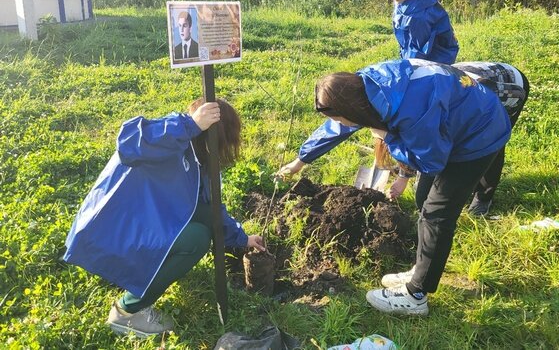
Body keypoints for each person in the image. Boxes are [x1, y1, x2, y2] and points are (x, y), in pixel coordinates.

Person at [277, 59, 513, 316]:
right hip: (455, 123)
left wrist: (387, 137)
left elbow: (431, 160)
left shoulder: (412, 109)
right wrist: (300, 162)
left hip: (477, 135)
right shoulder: (366, 89)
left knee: (437, 214)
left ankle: (416, 296)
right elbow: (336, 127)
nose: (344, 125)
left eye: (342, 119)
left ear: (352, 110)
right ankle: (421, 268)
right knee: (423, 200)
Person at [63, 98, 265, 337]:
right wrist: (189, 125)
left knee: (202, 219)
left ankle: (145, 275)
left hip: (142, 221)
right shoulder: (171, 140)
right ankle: (126, 312)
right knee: (197, 239)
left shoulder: (201, 162)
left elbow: (211, 209)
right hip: (113, 229)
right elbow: (129, 142)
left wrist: (242, 238)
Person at [387, 61, 529, 216]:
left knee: (490, 145)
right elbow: (415, 142)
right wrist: (403, 177)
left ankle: (483, 197)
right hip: (464, 88)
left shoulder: (457, 103)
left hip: (509, 89)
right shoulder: (413, 107)